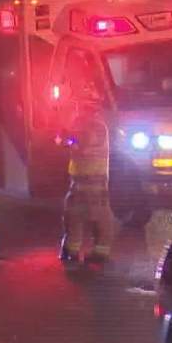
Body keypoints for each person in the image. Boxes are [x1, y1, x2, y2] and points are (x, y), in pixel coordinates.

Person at [59, 102, 114, 266]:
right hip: (85, 180)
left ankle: (80, 250)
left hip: (90, 180)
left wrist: (68, 138)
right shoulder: (89, 125)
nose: (78, 110)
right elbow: (71, 142)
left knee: (85, 215)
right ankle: (85, 250)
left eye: (81, 108)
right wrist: (67, 138)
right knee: (85, 215)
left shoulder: (94, 127)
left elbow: (82, 146)